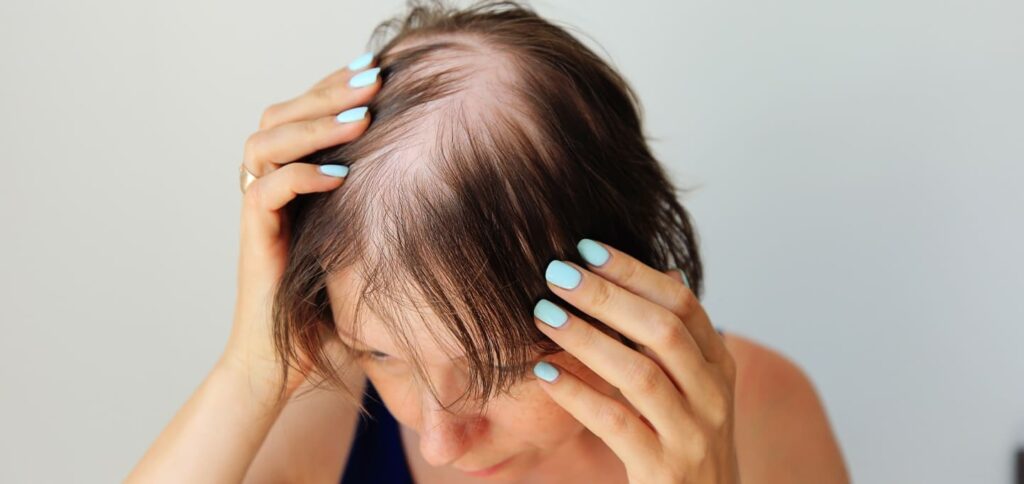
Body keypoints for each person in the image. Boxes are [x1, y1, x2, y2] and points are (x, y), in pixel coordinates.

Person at [126, 1, 850, 482]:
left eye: (499, 365)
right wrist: (250, 372)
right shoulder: (325, 418)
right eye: (383, 354)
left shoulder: (756, 414)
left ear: (625, 280)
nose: (439, 442)